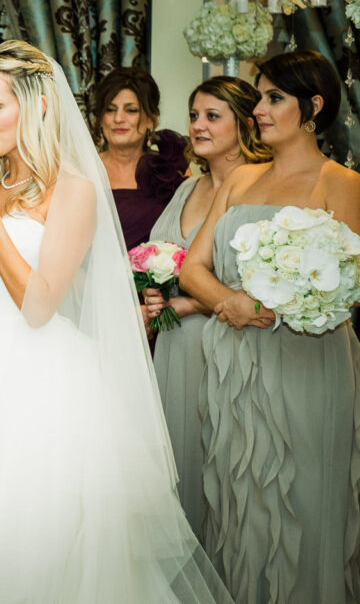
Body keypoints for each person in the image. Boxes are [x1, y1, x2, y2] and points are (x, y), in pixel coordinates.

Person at [0, 40, 231, 602]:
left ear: (37, 106)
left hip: (40, 376)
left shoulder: (73, 187)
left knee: (35, 545)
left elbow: (39, 306)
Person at [181, 50, 360, 604]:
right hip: (235, 363)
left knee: (305, 497)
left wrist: (295, 304)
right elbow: (192, 268)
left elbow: (350, 284)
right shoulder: (240, 180)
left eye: (272, 98)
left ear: (313, 108)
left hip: (309, 362)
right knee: (237, 494)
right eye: (259, 97)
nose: (257, 108)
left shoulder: (343, 182)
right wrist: (229, 302)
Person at [143, 76, 271, 539]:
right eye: (194, 115)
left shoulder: (261, 189)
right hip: (175, 343)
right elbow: (165, 257)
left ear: (243, 125)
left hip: (227, 339)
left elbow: (262, 279)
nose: (197, 126)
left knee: (220, 460)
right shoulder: (187, 188)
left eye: (212, 116)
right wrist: (153, 293)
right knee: (177, 459)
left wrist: (192, 302)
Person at [92, 66, 188, 251]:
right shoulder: (81, 168)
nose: (118, 118)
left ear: (151, 119)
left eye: (131, 110)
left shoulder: (169, 170)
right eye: (110, 110)